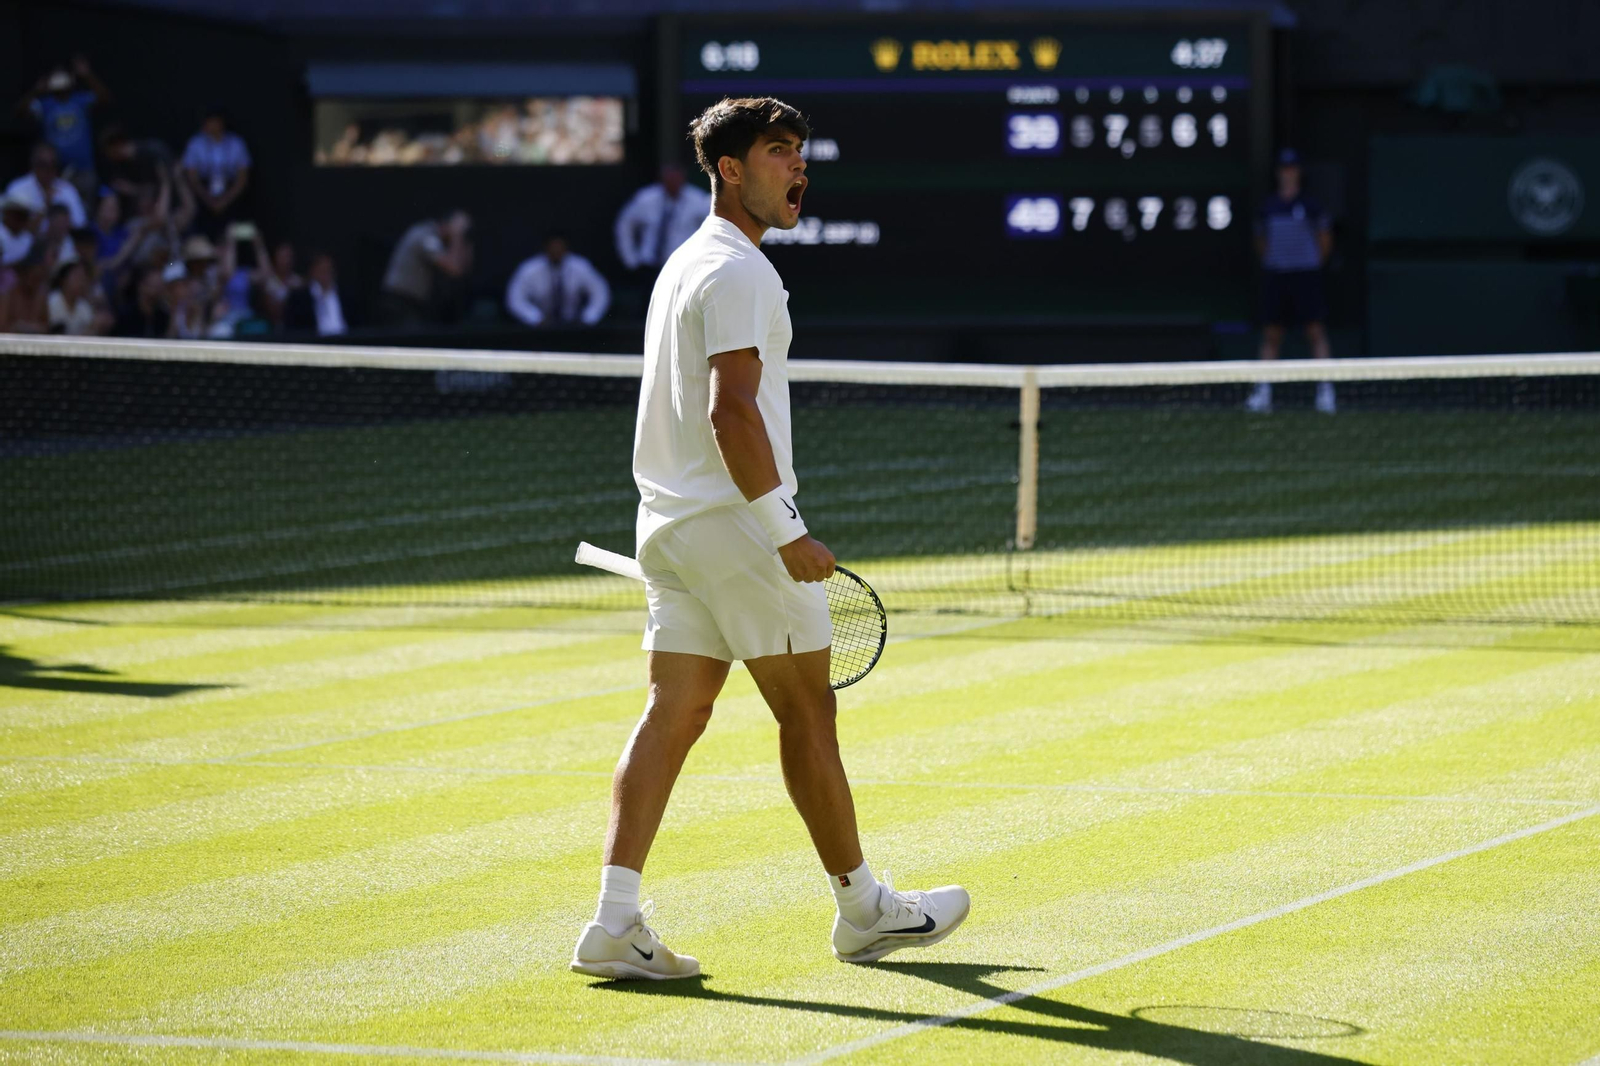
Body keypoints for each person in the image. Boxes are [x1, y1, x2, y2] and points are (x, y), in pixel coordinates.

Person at [570, 97, 970, 982]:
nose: (798, 168)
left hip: (670, 529)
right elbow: (731, 411)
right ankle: (864, 910)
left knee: (675, 713)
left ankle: (613, 921)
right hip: (737, 528)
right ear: (730, 169)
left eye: (800, 153)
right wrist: (784, 528)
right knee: (807, 711)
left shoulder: (685, 264)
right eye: (779, 151)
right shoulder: (740, 270)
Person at [1248, 148, 1336, 415]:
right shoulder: (1268, 207)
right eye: (1284, 169)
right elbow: (1261, 242)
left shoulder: (1311, 206)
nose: (1288, 173)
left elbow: (1325, 240)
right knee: (1271, 335)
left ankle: (1325, 392)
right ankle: (1263, 392)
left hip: (1306, 277)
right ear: (1278, 173)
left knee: (1315, 332)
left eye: (1292, 168)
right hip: (1277, 277)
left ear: (1298, 172)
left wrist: (1310, 263)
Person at [17, 57, 111, 201]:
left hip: (83, 170)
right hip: (54, 173)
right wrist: (36, 91)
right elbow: (20, 112)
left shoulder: (81, 100)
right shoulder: (44, 104)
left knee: (83, 209)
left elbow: (105, 98)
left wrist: (87, 75)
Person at [377, 208, 472, 328]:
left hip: (413, 302)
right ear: (447, 223)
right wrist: (456, 235)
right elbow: (454, 268)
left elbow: (462, 269)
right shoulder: (426, 235)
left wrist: (464, 240)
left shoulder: (437, 239)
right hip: (399, 301)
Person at [614, 163, 712, 275]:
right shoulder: (646, 198)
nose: (673, 181)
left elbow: (713, 228)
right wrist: (630, 259)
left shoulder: (698, 200)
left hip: (684, 265)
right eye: (669, 177)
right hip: (649, 265)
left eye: (676, 177)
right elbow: (624, 224)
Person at [505, 231, 610, 327]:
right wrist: (535, 318)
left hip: (575, 326)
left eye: (559, 247)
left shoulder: (581, 267)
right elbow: (515, 299)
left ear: (566, 248)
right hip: (538, 328)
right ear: (545, 248)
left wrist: (588, 318)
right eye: (553, 247)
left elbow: (600, 292)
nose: (556, 251)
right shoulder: (529, 269)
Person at [181, 108, 251, 240]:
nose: (209, 126)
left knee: (243, 228)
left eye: (213, 122)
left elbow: (242, 178)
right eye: (207, 122)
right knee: (197, 225)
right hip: (203, 197)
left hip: (231, 196)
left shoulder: (236, 143)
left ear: (220, 123)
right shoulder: (195, 144)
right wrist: (208, 200)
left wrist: (225, 200)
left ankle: (241, 248)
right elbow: (192, 177)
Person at [4, 143, 88, 229]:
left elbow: (80, 224)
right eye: (43, 165)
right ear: (33, 165)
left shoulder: (67, 189)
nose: (48, 170)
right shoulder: (17, 188)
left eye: (53, 165)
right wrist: (45, 206)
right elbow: (15, 229)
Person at [47, 258, 104, 335]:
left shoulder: (84, 306)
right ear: (63, 279)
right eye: (77, 277)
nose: (81, 282)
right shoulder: (51, 302)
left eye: (83, 278)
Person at [0, 193, 35, 266]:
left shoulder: (28, 239)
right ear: (7, 213)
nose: (20, 220)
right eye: (16, 214)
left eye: (24, 216)